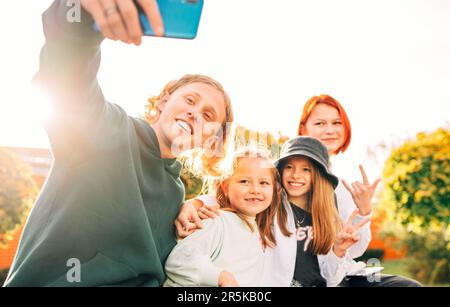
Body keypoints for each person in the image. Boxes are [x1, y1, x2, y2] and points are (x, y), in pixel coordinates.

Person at [4, 0, 233, 287]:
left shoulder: (176, 194)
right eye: (190, 100)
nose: (194, 113)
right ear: (164, 100)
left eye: (208, 116)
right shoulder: (107, 129)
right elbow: (65, 72)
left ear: (210, 138)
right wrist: (83, 14)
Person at [297, 94, 421, 287]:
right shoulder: (291, 179)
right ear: (303, 128)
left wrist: (364, 211)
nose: (330, 130)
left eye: (337, 122)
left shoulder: (343, 187)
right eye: (320, 124)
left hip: (344, 274)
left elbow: (355, 251)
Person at [164, 148, 284, 287]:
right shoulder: (217, 220)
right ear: (226, 187)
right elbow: (179, 260)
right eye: (244, 181)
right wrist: (222, 277)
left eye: (264, 183)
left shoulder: (256, 231)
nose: (255, 190)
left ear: (274, 190)